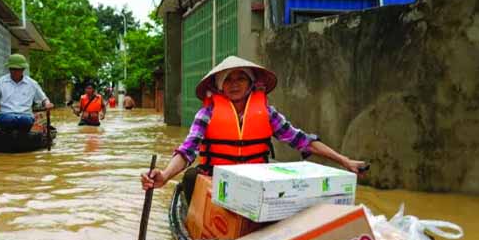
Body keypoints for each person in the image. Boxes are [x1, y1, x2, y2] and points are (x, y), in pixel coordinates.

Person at [141, 56, 366, 191]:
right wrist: (165, 175)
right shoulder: (206, 113)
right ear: (219, 87)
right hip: (217, 180)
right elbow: (187, 151)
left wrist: (344, 161)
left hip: (256, 181)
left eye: (241, 78)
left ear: (251, 83)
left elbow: (303, 141)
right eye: (227, 79)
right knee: (191, 178)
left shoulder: (267, 113)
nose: (234, 84)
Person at [0, 54, 53, 135]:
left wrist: (47, 104)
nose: (15, 72)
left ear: (23, 69)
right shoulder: (0, 82)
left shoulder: (32, 83)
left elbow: (44, 99)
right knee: (8, 119)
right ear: (9, 69)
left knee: (25, 120)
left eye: (18, 69)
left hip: (25, 117)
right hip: (5, 117)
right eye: (12, 69)